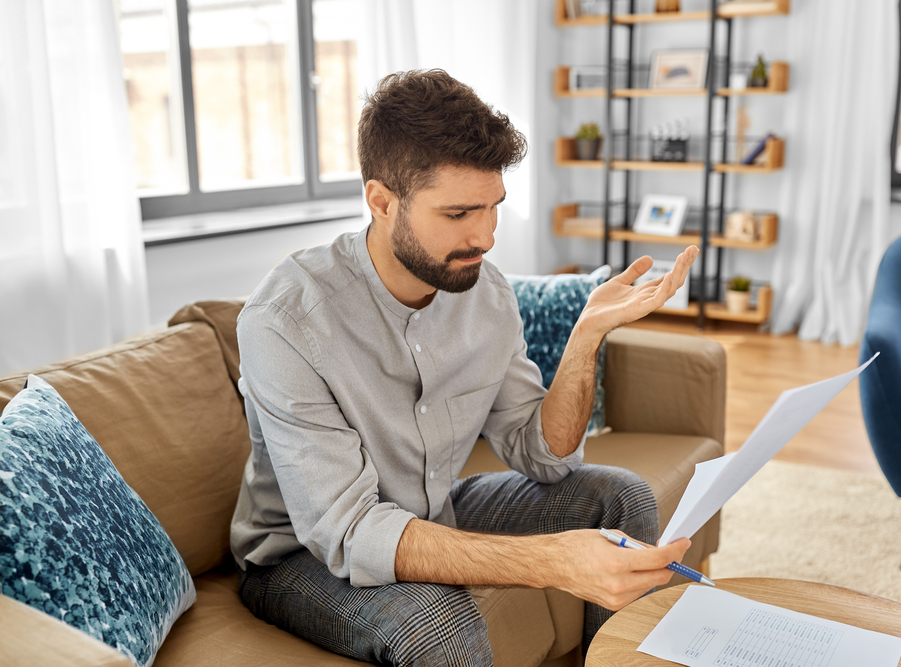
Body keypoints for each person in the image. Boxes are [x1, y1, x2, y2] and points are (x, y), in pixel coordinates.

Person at [231, 68, 699, 666]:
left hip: (430, 507)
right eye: (458, 214)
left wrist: (586, 337)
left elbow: (544, 457)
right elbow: (347, 532)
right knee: (439, 626)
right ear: (381, 200)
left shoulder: (487, 294)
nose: (486, 235)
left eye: (493, 207)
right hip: (300, 554)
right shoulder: (285, 322)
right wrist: (553, 560)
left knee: (619, 501)